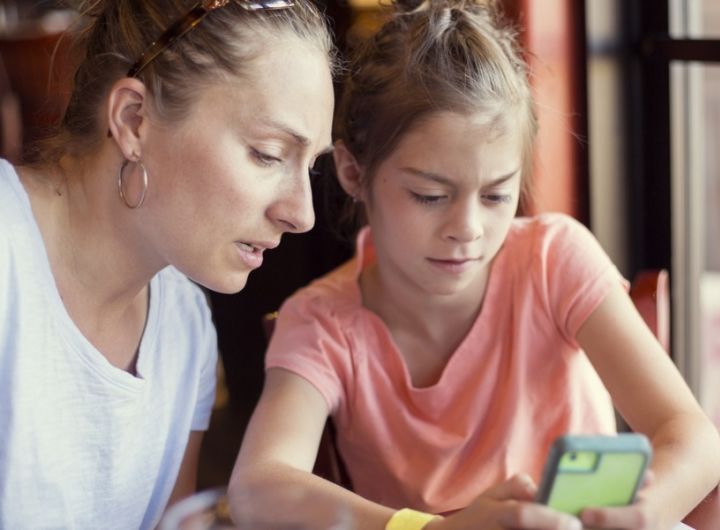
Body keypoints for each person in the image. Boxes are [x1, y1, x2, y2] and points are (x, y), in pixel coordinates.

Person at [229, 0, 720, 529]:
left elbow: (691, 437)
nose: (468, 229)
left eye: (495, 195)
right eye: (429, 195)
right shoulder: (323, 323)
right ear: (352, 171)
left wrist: (642, 514)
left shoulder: (553, 260)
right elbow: (259, 488)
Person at [0, 0, 335, 528]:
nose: (302, 214)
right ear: (134, 120)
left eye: (311, 167)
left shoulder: (184, 327)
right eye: (269, 154)